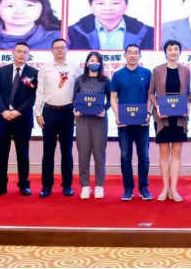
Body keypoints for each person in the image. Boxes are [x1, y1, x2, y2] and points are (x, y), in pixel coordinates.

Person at [0, 42, 38, 198]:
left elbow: (32, 96)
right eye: (19, 51)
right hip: (3, 118)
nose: (21, 54)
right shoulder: (2, 70)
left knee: (23, 153)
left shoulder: (33, 72)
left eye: (25, 52)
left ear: (28, 55)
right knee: (2, 153)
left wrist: (18, 111)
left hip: (22, 119)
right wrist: (4, 110)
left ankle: (24, 184)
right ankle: (0, 186)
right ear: (13, 52)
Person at [34, 38, 80, 198]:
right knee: (48, 151)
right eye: (56, 47)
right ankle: (46, 186)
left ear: (67, 49)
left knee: (67, 151)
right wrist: (38, 112)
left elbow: (79, 91)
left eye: (62, 47)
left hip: (68, 112)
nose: (59, 50)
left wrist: (78, 110)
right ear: (52, 50)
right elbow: (39, 91)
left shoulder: (74, 68)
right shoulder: (45, 68)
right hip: (49, 112)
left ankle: (67, 185)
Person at [148, 39, 191, 202]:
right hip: (162, 117)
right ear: (165, 52)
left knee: (177, 153)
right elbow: (151, 92)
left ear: (180, 52)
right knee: (164, 153)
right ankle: (165, 188)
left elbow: (188, 93)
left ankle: (174, 189)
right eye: (170, 49)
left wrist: (188, 105)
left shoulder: (185, 71)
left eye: (176, 49)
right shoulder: (157, 70)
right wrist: (158, 107)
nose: (173, 52)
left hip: (179, 117)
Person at [110, 44, 153, 201]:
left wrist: (148, 113)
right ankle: (128, 189)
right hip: (124, 123)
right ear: (125, 55)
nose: (133, 55)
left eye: (136, 53)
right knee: (125, 157)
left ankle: (144, 188)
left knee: (144, 157)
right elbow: (113, 97)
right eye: (130, 52)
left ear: (140, 55)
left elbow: (150, 96)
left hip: (142, 123)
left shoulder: (147, 73)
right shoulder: (118, 75)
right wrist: (117, 115)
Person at [73, 51, 112, 200]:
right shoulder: (80, 80)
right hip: (82, 119)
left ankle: (99, 186)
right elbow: (74, 98)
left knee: (99, 153)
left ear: (100, 64)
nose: (94, 63)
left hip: (99, 120)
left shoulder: (105, 80)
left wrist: (104, 109)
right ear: (87, 63)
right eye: (91, 60)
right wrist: (75, 109)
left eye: (97, 61)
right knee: (83, 154)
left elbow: (111, 100)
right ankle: (85, 186)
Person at [67, 0, 155, 51]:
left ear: (126, 5)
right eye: (100, 3)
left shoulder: (148, 33)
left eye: (115, 3)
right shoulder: (71, 32)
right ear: (90, 5)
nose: (108, 8)